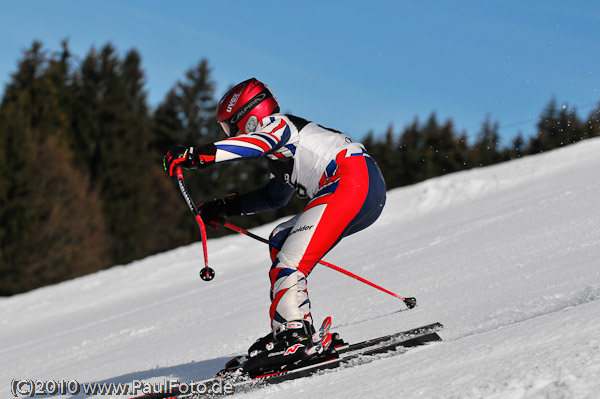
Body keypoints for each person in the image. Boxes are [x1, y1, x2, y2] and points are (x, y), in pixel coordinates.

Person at [164, 78, 386, 372]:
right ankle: (295, 329)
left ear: (251, 116)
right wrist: (223, 207)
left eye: (230, 127)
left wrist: (198, 155)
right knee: (281, 238)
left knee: (290, 262)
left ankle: (293, 337)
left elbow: (252, 144)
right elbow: (274, 197)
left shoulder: (278, 126)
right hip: (362, 190)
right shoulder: (282, 153)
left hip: (351, 181)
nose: (230, 134)